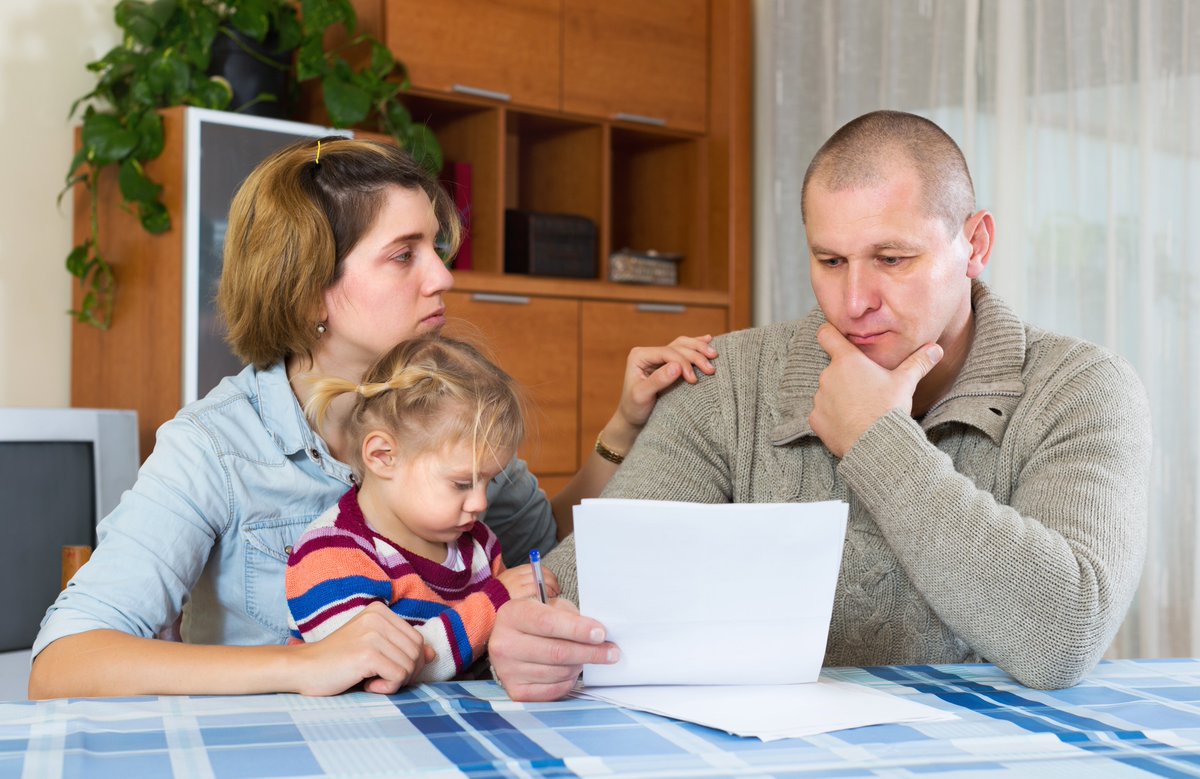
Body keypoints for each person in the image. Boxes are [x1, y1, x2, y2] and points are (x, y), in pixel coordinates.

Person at [488, 110, 1152, 699]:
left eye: (891, 257)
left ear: (974, 244)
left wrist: (875, 439)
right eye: (830, 260)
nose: (854, 300)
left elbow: (1065, 635)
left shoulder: (1083, 387)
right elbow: (580, 589)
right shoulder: (728, 380)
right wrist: (531, 633)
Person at [29, 138, 717, 699]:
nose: (442, 277)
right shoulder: (215, 445)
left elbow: (546, 545)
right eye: (403, 255)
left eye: (437, 249)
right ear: (308, 293)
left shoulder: (450, 399)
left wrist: (624, 428)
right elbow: (63, 662)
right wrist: (301, 665)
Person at [286, 333, 560, 684]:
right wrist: (497, 602)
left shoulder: (478, 545)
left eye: (488, 482)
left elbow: (497, 647)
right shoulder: (331, 555)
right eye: (462, 483)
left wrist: (529, 613)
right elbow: (380, 672)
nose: (480, 503)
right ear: (383, 456)